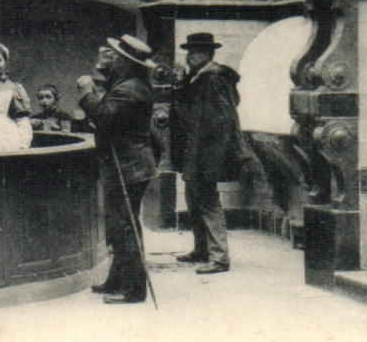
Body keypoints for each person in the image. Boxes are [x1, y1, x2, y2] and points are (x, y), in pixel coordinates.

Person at [78, 34, 157, 305]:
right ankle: (117, 280)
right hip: (128, 164)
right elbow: (110, 110)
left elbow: (104, 116)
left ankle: (134, 290)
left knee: (125, 227)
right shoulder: (129, 84)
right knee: (119, 225)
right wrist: (101, 72)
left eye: (117, 57)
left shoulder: (130, 89)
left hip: (128, 166)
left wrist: (86, 92)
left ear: (127, 62)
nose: (112, 60)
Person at [171, 32, 257, 275]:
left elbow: (224, 120)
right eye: (189, 52)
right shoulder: (199, 78)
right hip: (196, 150)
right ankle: (202, 250)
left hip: (206, 153)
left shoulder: (214, 79)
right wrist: (180, 84)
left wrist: (211, 159)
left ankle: (219, 257)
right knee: (194, 199)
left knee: (207, 202)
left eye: (194, 52)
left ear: (207, 54)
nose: (189, 57)